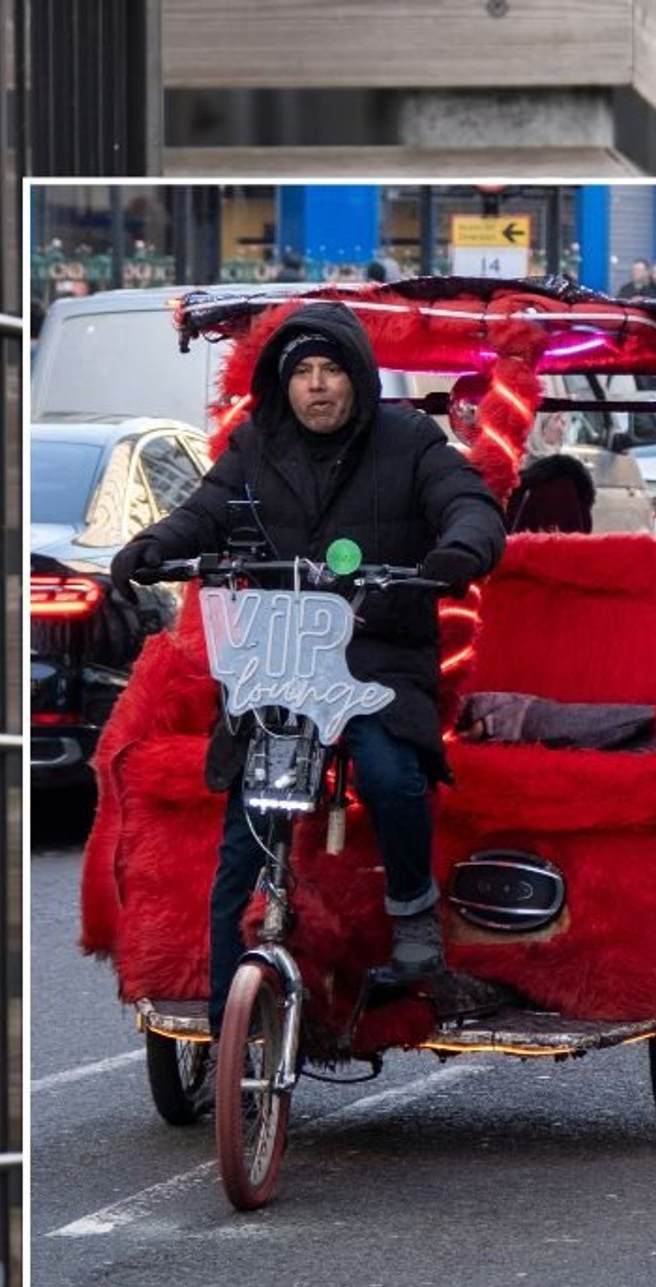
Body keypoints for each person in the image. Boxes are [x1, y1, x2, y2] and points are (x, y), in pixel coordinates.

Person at [109, 302, 506, 1029]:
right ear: (284, 385)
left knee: (390, 771)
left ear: (356, 377)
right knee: (243, 829)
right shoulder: (257, 445)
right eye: (304, 374)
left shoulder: (408, 439)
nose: (318, 386)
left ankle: (414, 918)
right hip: (277, 662)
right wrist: (153, 546)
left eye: (331, 371)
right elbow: (203, 512)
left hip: (376, 657)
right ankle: (228, 1015)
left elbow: (469, 503)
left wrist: (459, 550)